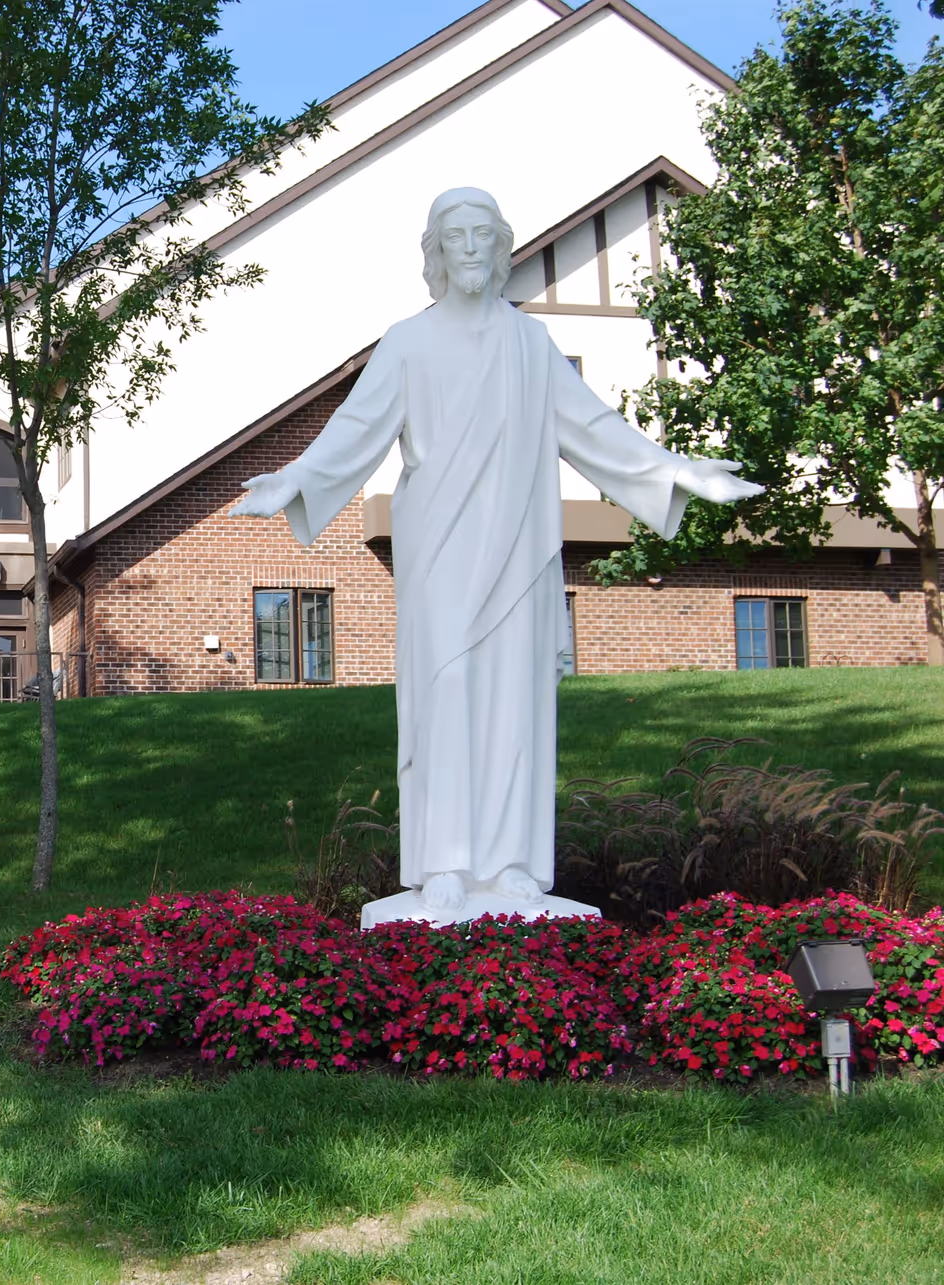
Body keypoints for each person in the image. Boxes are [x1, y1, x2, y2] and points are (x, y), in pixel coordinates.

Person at [232, 187, 762, 924]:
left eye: (486, 234)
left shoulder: (529, 343)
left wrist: (677, 469)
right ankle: (443, 862)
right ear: (437, 252)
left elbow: (595, 429)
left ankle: (513, 862)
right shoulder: (408, 342)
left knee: (516, 701)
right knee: (445, 697)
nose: (473, 247)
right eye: (458, 235)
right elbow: (357, 429)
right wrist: (295, 479)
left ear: (503, 246)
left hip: (519, 548)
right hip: (441, 554)